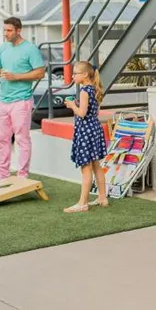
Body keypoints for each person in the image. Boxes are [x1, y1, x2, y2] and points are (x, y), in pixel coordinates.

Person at [0, 17, 45, 183]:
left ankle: (22, 174)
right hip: (3, 100)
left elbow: (40, 73)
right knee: (2, 139)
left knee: (21, 139)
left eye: (9, 30)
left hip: (21, 100)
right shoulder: (3, 47)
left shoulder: (30, 49)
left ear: (18, 30)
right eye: (4, 30)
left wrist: (16, 76)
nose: (6, 33)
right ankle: (2, 173)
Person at [63, 61, 108, 213]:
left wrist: (72, 106)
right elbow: (94, 111)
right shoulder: (94, 88)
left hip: (86, 131)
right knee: (96, 165)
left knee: (86, 168)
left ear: (85, 75)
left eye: (75, 73)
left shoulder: (84, 91)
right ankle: (102, 198)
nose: (73, 76)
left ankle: (82, 203)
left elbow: (82, 113)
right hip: (95, 129)